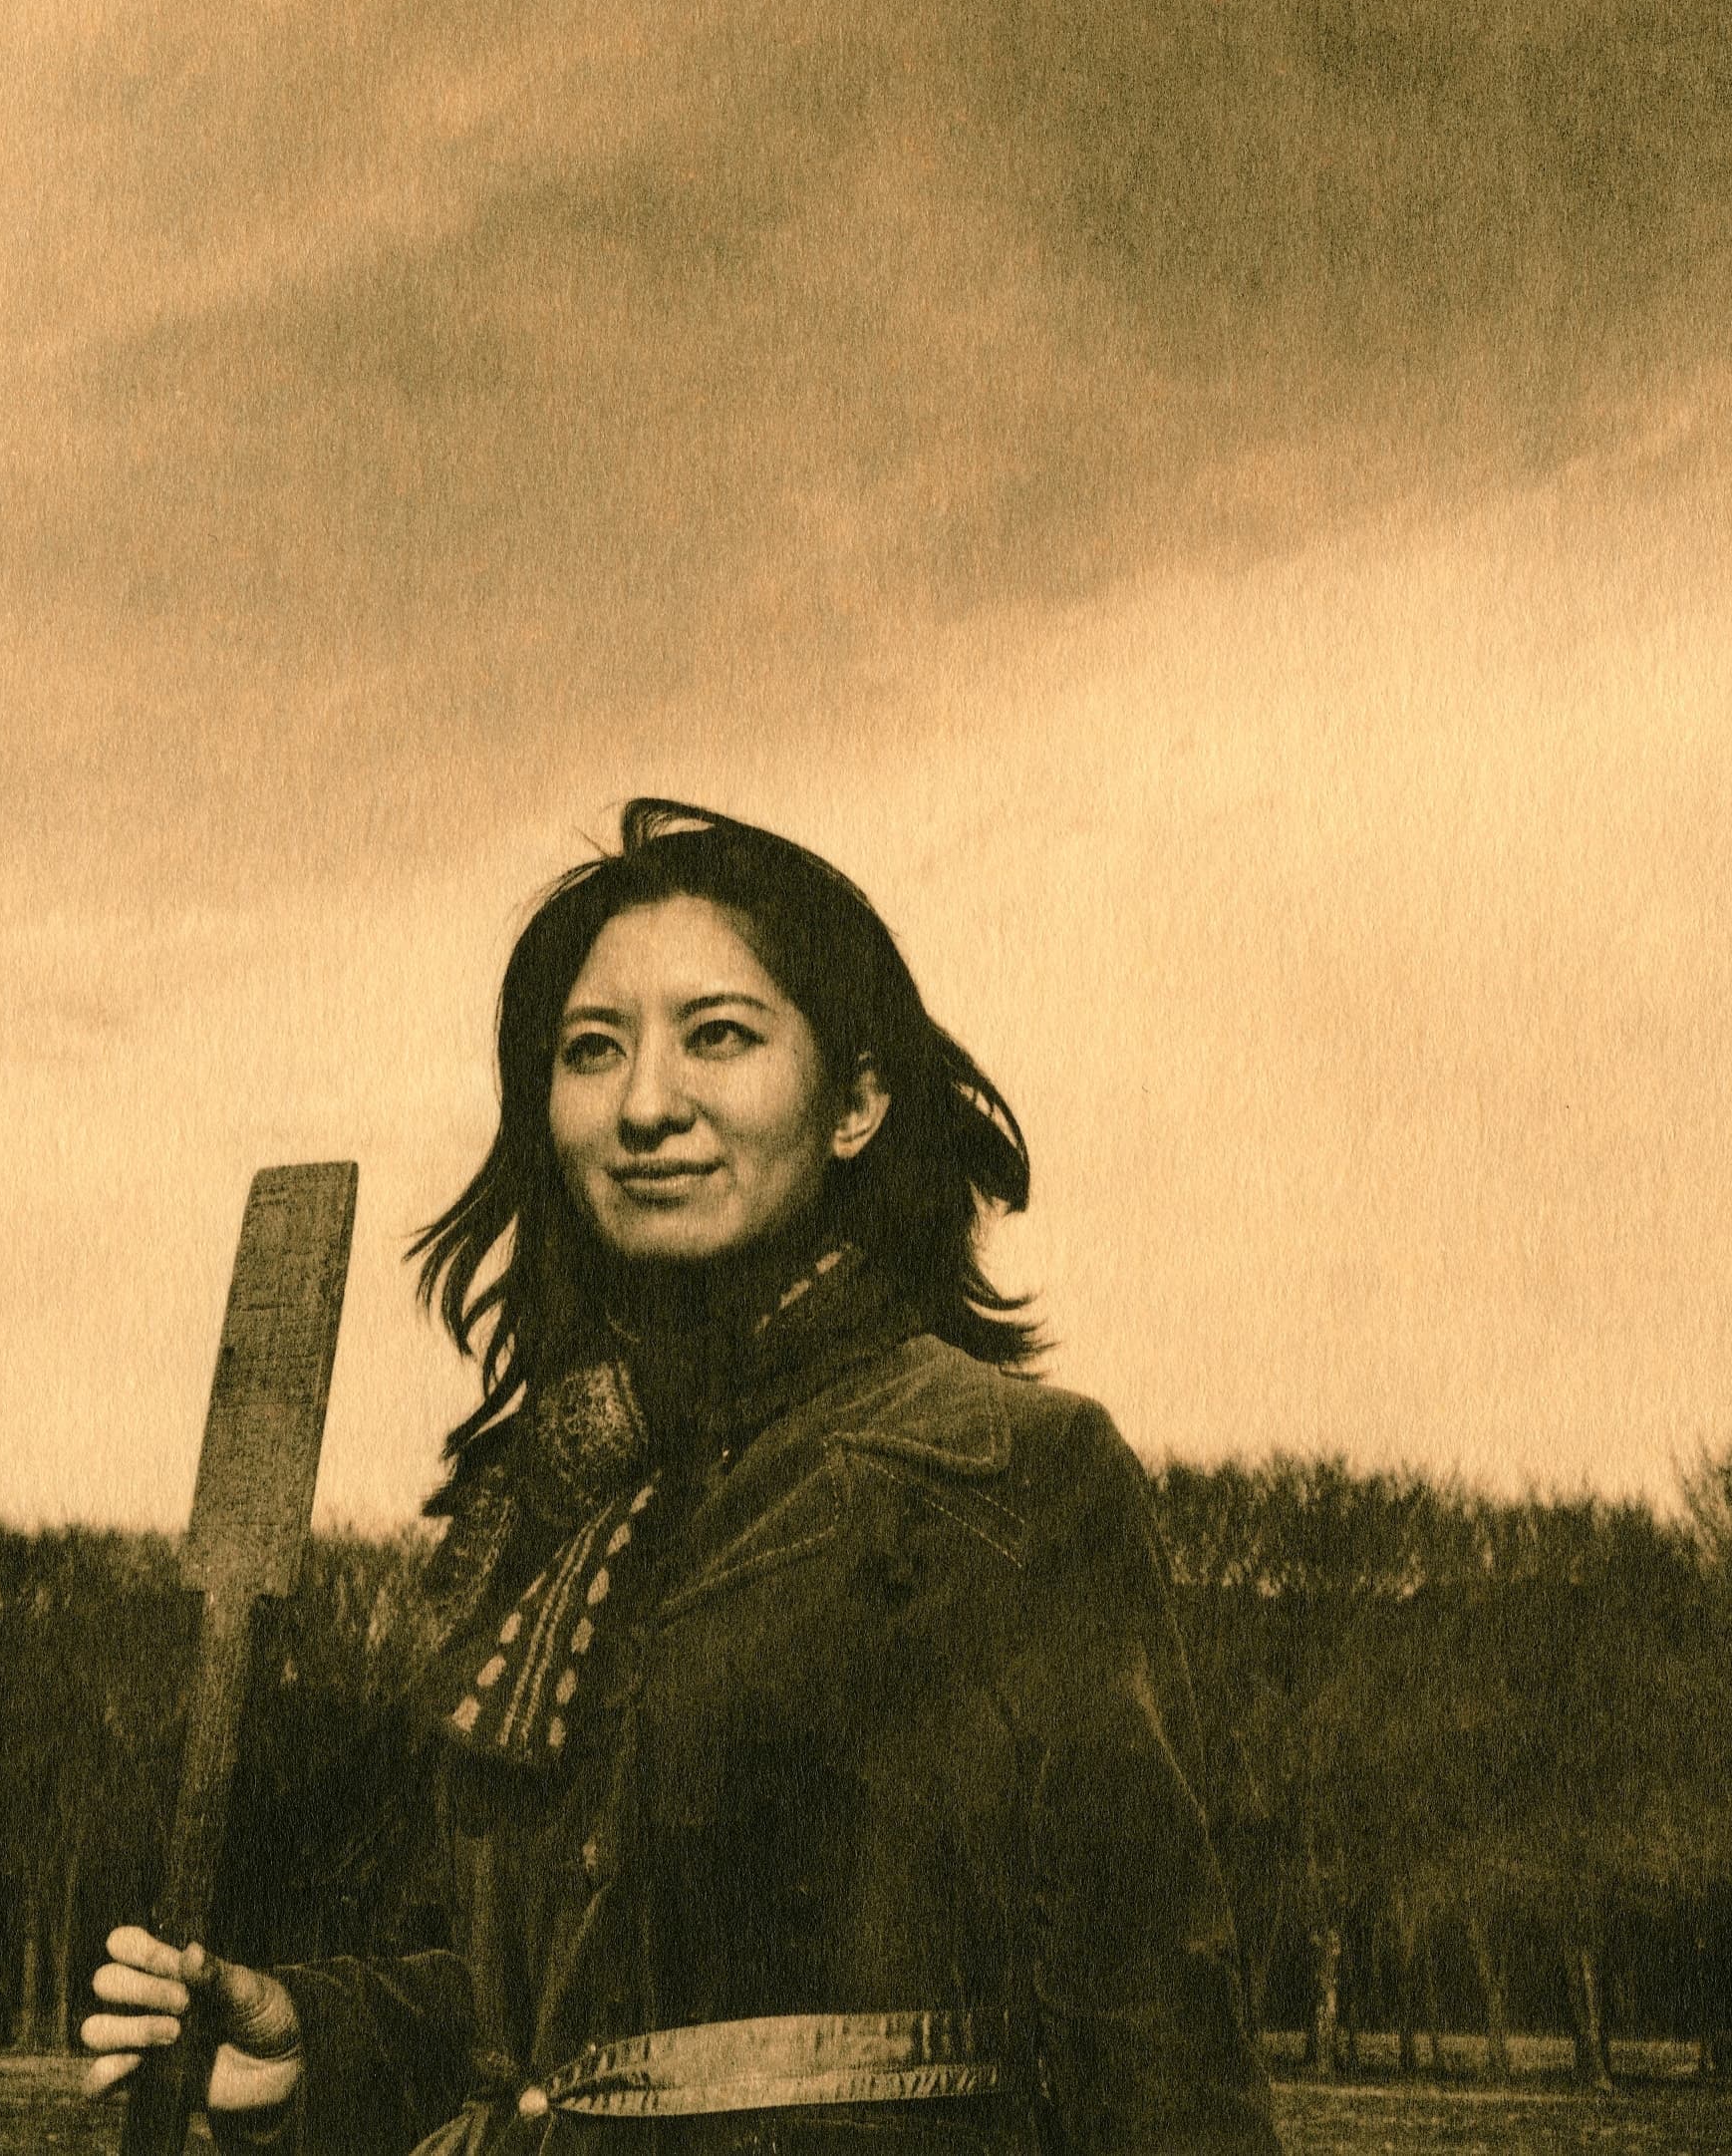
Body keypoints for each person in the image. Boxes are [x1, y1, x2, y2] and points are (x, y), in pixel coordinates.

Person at [85, 799, 1281, 2153]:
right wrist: (317, 2040)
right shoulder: (546, 1514)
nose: (646, 1104)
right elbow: (544, 2025)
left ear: (856, 1101)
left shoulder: (1005, 1470)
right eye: (592, 1049)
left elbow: (1154, 2028)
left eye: (718, 1034)